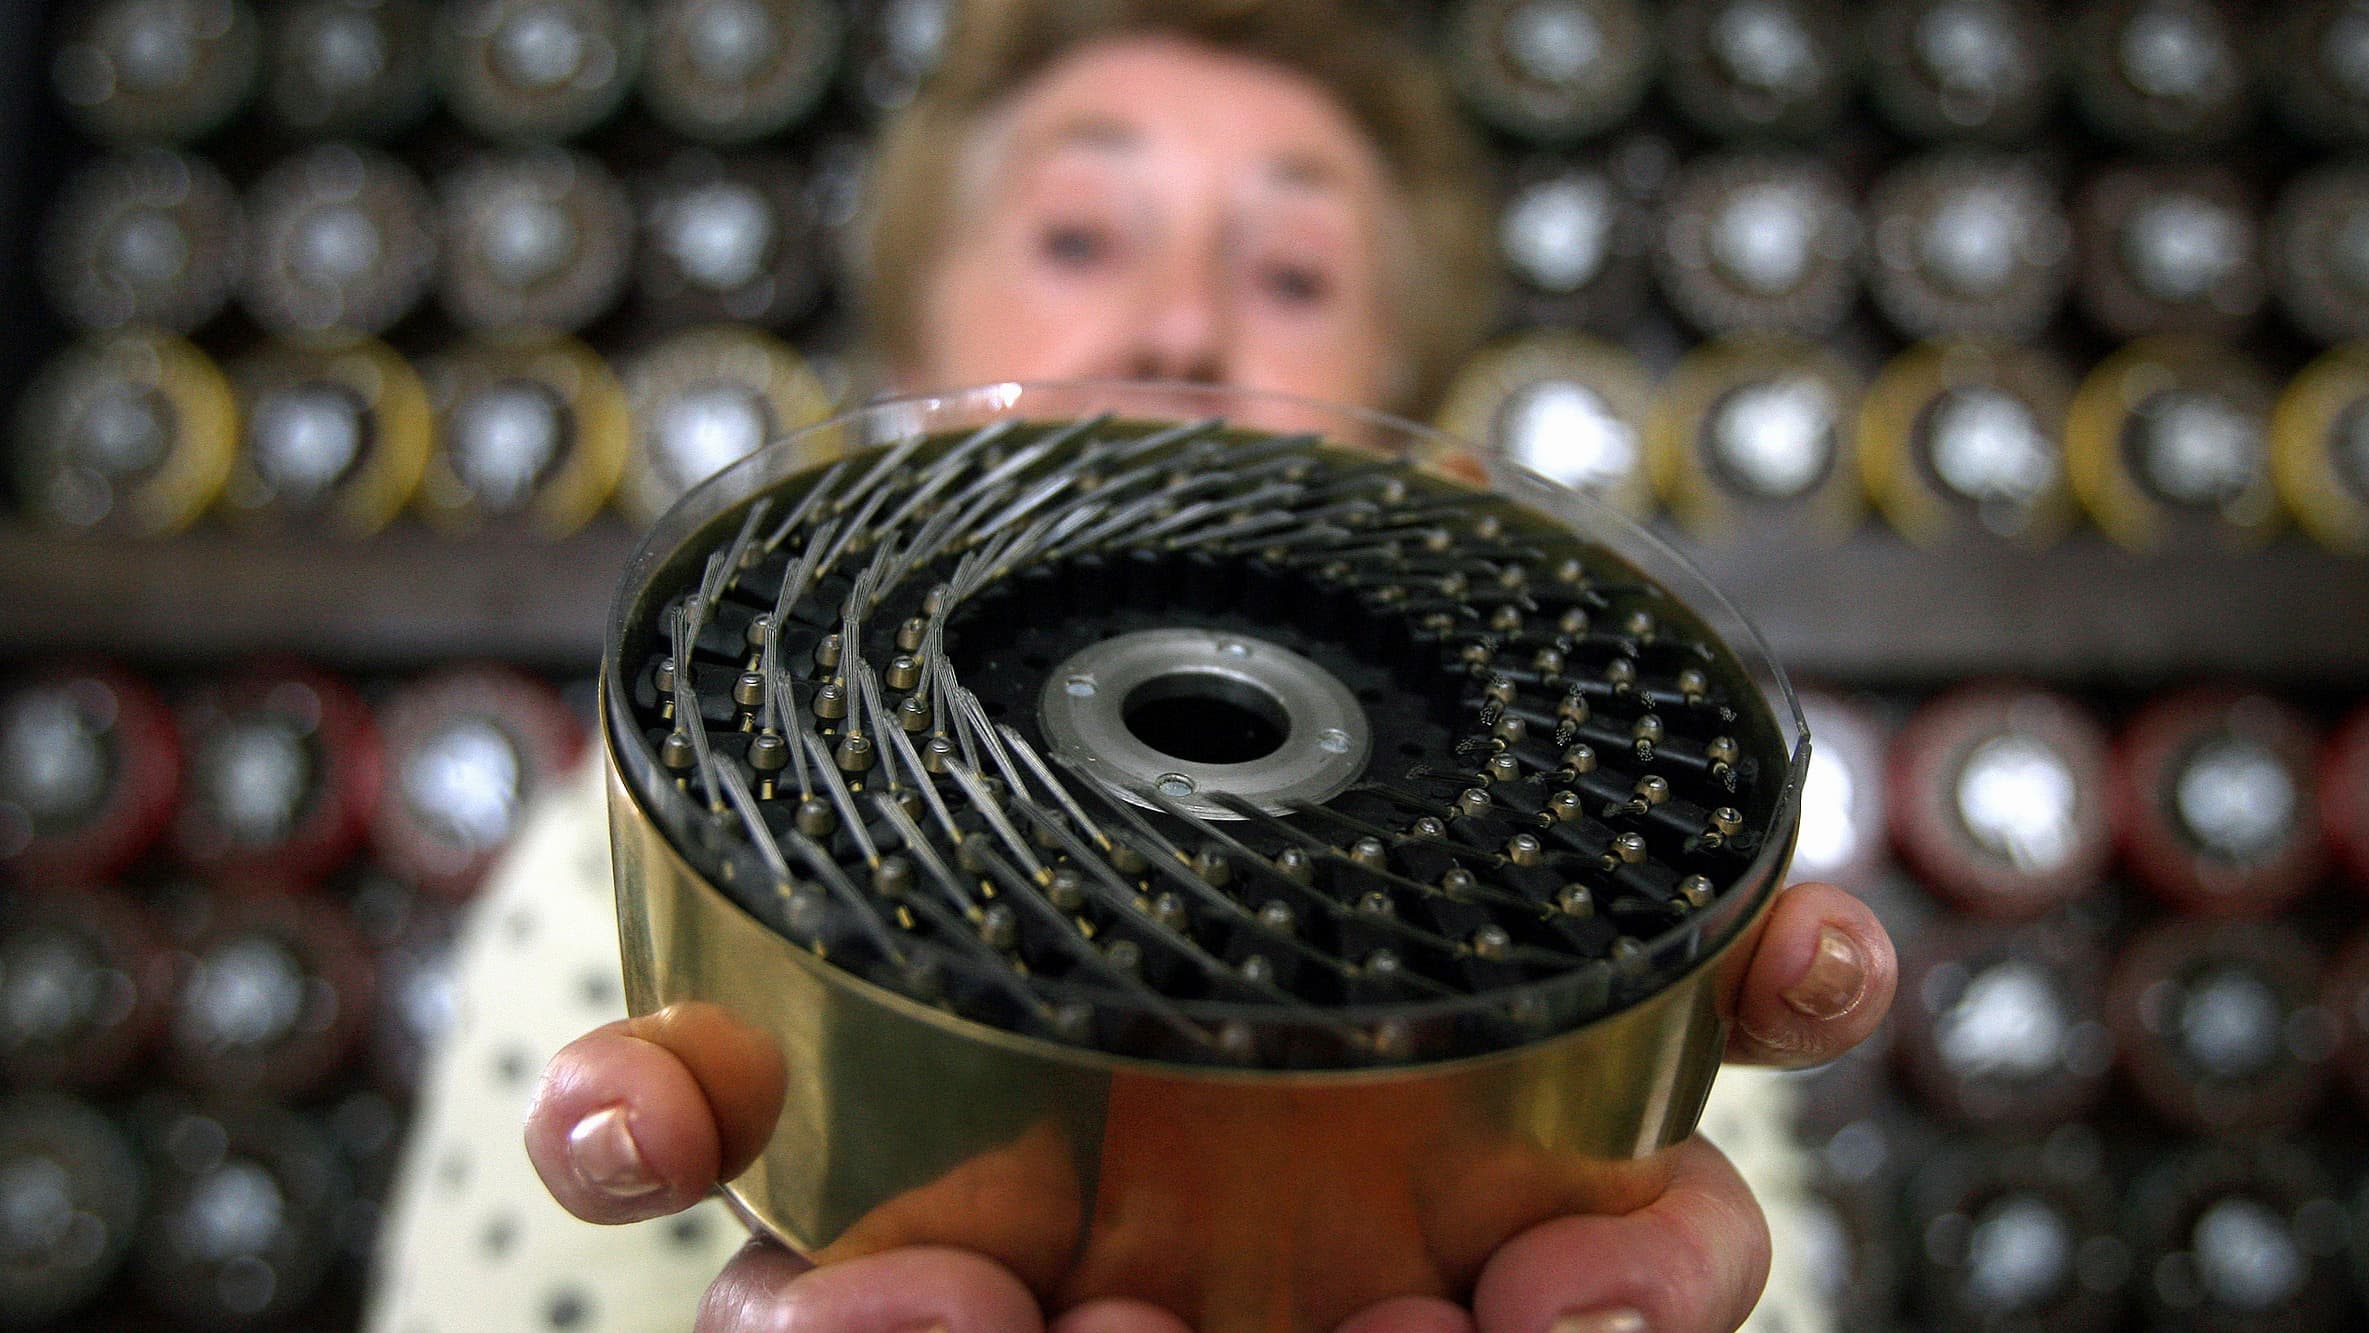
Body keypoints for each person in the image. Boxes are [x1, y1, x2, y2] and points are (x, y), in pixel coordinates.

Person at [371, 2, 1899, 1330]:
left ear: (1405, 410)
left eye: (1293, 275)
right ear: (911, 352)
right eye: (1081, 236)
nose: (1179, 325)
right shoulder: (636, 838)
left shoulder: (1621, 913)